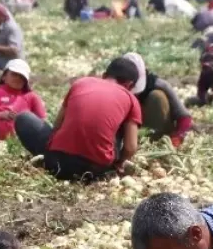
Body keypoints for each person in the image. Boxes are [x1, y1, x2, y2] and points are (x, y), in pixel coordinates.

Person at [15, 58, 143, 181]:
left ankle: (48, 159)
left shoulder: (80, 83)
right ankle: (107, 167)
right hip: (95, 170)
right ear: (130, 85)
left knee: (24, 118)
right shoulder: (131, 99)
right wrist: (119, 162)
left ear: (104, 75)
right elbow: (130, 147)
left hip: (57, 163)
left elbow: (57, 126)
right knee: (118, 124)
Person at [120, 52, 195, 146]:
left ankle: (155, 137)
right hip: (130, 130)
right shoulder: (117, 85)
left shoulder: (159, 84)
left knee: (157, 96)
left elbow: (184, 116)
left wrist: (178, 136)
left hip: (155, 127)